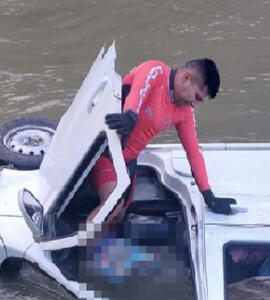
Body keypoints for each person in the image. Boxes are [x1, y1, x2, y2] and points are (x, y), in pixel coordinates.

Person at [87, 58, 236, 222]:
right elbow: (138, 91)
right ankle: (82, 245)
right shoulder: (156, 71)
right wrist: (129, 115)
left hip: (128, 162)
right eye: (197, 97)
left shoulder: (184, 111)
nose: (194, 104)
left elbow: (194, 153)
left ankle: (100, 246)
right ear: (186, 78)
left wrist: (208, 195)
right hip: (105, 152)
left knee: (120, 215)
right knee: (111, 205)